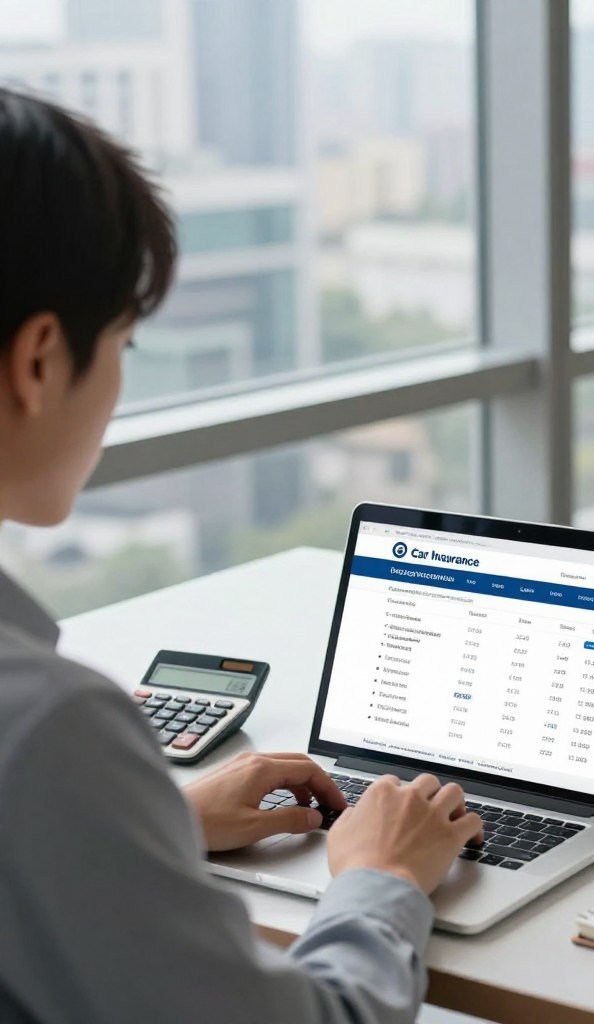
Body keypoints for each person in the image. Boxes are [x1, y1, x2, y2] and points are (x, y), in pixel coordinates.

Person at [0, 88, 483, 1023]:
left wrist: (149, 828)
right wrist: (381, 879)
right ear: (38, 361)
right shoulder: (45, 730)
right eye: (124, 342)